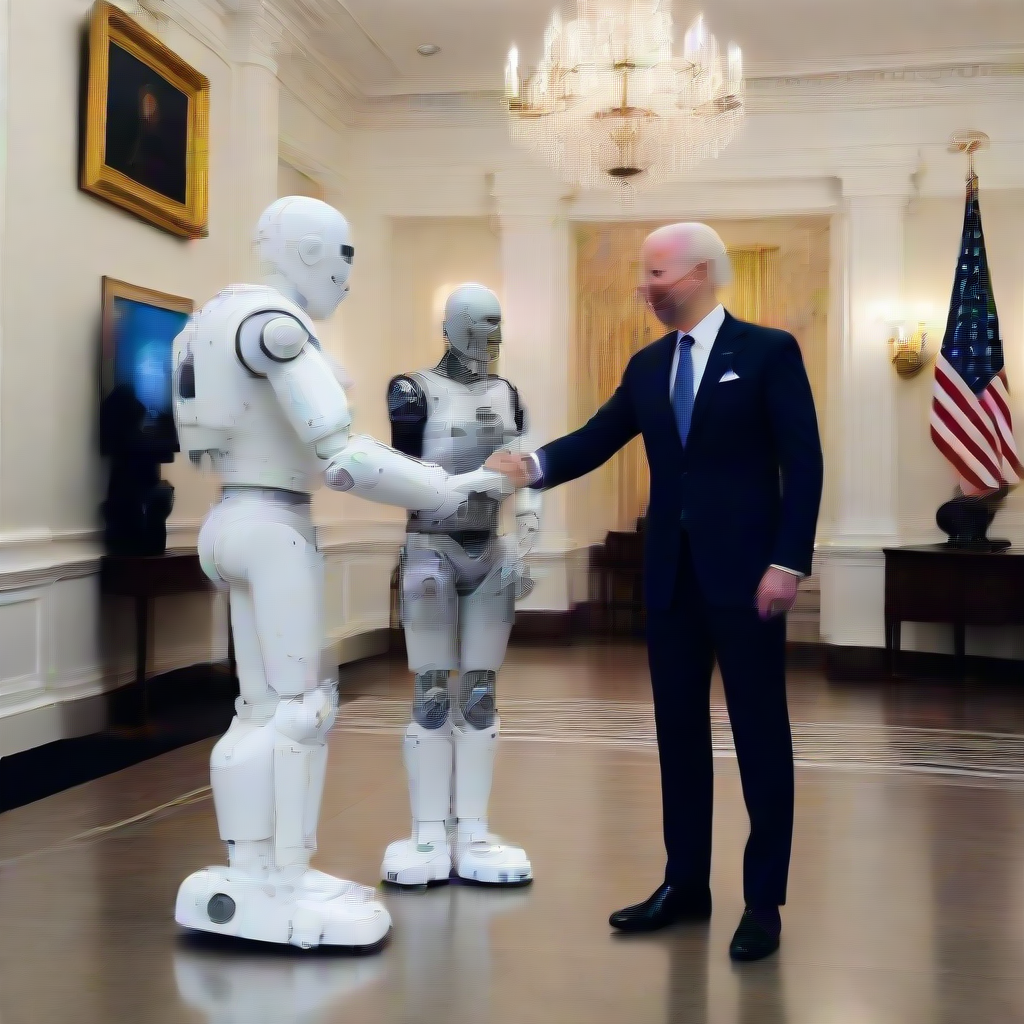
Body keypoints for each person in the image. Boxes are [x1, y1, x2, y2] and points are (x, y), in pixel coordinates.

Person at [172, 197, 512, 950]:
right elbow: (344, 453)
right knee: (302, 708)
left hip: (230, 517)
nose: (350, 273)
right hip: (273, 524)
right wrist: (447, 487)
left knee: (260, 708)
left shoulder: (214, 317)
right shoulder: (278, 328)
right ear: (307, 251)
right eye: (345, 254)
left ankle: (262, 870)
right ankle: (279, 880)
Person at [486, 222, 823, 961]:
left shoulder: (768, 352)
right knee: (678, 736)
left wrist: (788, 561)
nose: (646, 287)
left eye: (658, 274)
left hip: (749, 578)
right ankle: (685, 885)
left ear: (701, 273)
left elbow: (804, 463)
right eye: (645, 275)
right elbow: (598, 437)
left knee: (762, 737)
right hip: (669, 579)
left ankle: (762, 901)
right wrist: (531, 464)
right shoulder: (646, 367)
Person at [380, 283, 541, 888]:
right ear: (450, 325)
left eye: (497, 329)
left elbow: (526, 468)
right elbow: (406, 477)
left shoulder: (509, 393)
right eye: (478, 327)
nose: (489, 342)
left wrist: (526, 532)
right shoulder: (411, 391)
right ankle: (427, 829)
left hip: (490, 550)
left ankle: (471, 827)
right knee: (429, 689)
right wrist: (479, 478)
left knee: (480, 693)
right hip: (430, 551)